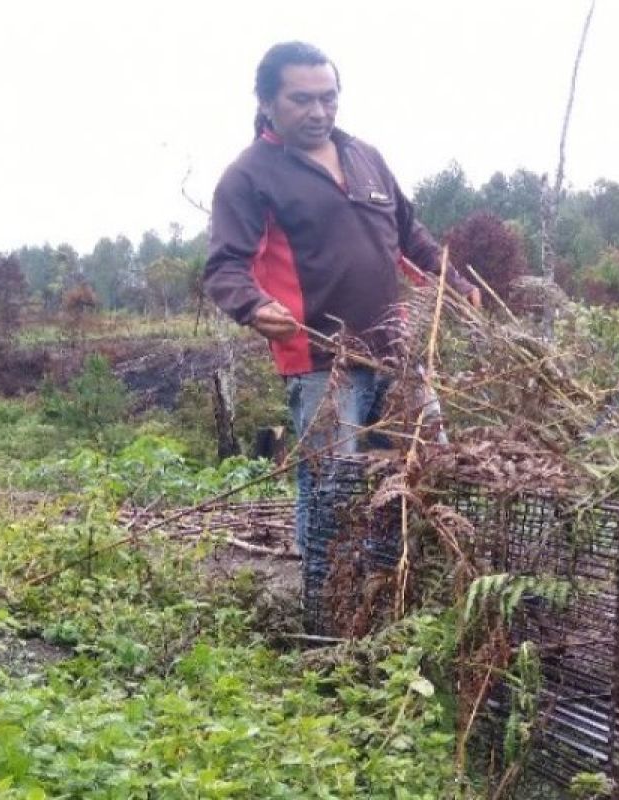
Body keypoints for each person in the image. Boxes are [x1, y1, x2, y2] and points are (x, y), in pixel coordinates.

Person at [203, 42, 479, 608]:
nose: (318, 111)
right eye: (301, 99)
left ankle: (401, 594)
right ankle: (328, 615)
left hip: (398, 356)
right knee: (338, 492)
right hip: (322, 365)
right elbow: (225, 267)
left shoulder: (366, 158)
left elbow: (409, 234)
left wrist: (451, 277)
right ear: (267, 101)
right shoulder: (249, 176)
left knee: (428, 470)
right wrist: (254, 308)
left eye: (328, 98)